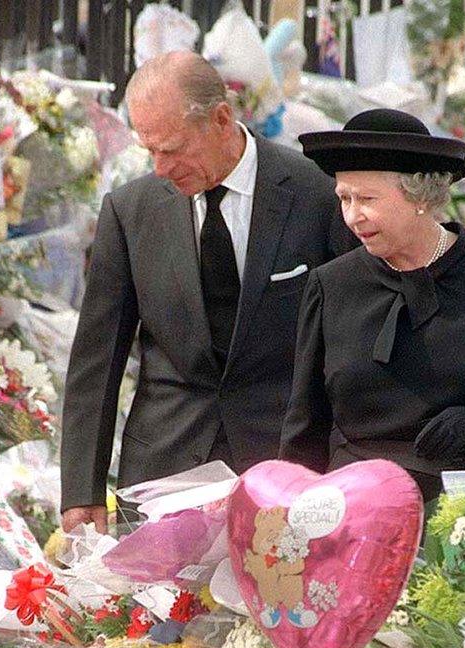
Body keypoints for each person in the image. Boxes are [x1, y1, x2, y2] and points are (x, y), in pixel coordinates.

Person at [61, 51, 354, 534]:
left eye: (172, 149)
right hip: (164, 464)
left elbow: (346, 344)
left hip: (283, 464)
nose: (159, 167)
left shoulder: (316, 193)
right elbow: (97, 358)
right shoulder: (130, 211)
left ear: (222, 119)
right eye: (149, 150)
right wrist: (81, 490)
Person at [279, 109, 465, 503]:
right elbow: (305, 428)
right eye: (344, 198)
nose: (352, 216)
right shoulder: (332, 285)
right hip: (361, 514)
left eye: (367, 199)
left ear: (420, 196)